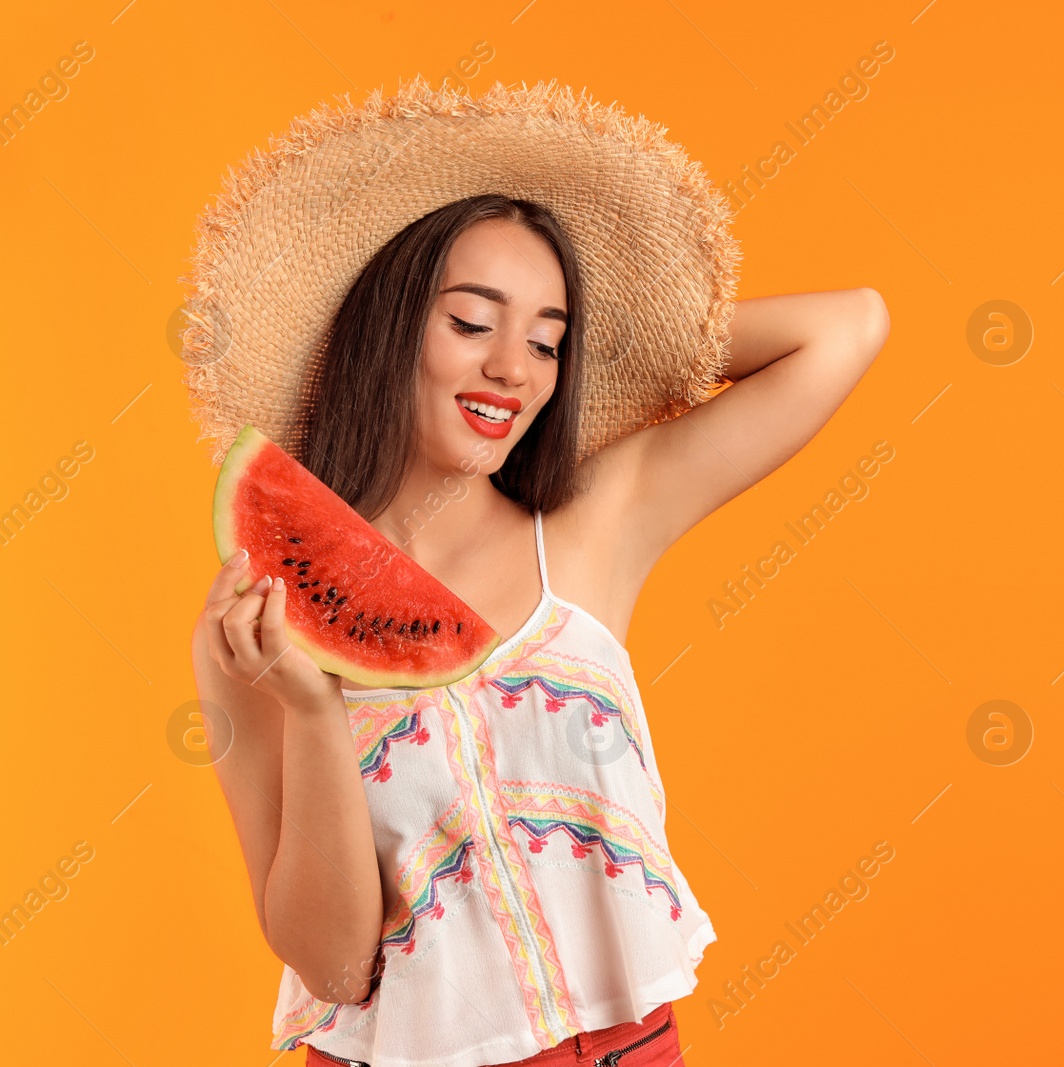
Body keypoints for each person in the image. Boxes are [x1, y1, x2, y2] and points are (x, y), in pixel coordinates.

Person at [182, 79, 888, 1067]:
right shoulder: (260, 624)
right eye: (472, 323)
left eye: (546, 338)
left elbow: (847, 326)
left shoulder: (595, 523)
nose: (513, 366)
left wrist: (593, 369)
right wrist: (309, 707)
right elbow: (337, 968)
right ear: (387, 331)